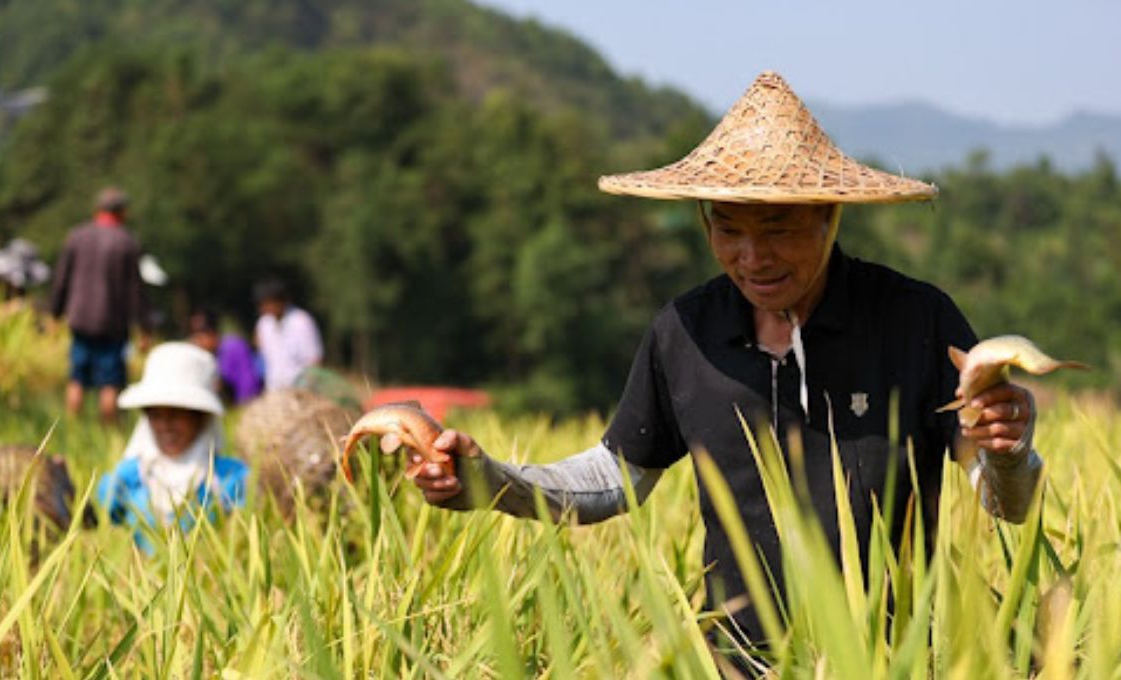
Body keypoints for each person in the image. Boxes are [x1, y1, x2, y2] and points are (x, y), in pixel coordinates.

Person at [396, 72, 1045, 663]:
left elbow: (1000, 499)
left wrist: (1011, 452)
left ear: (829, 217)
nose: (751, 257)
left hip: (895, 657)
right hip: (740, 662)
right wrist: (493, 483)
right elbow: (614, 478)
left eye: (777, 229)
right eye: (728, 229)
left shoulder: (915, 320)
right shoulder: (685, 330)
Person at [95, 342, 248, 552]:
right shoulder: (129, 477)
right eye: (156, 416)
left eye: (177, 415)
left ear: (201, 419)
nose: (165, 426)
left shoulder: (229, 479)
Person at [50, 186, 151, 425]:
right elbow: (136, 291)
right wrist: (145, 327)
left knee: (77, 377)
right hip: (112, 323)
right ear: (122, 212)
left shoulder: (76, 236)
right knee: (110, 382)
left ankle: (72, 429)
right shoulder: (127, 242)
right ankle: (107, 433)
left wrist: (55, 313)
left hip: (80, 319)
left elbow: (61, 280)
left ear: (98, 209)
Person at [253, 277, 323, 391]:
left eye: (270, 302)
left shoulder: (302, 321)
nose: (266, 308)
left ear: (283, 300)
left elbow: (314, 360)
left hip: (300, 391)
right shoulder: (263, 324)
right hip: (274, 391)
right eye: (263, 303)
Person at [188, 308, 263, 404]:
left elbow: (249, 388)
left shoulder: (233, 348)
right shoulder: (210, 356)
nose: (197, 342)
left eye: (199, 337)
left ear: (212, 333)